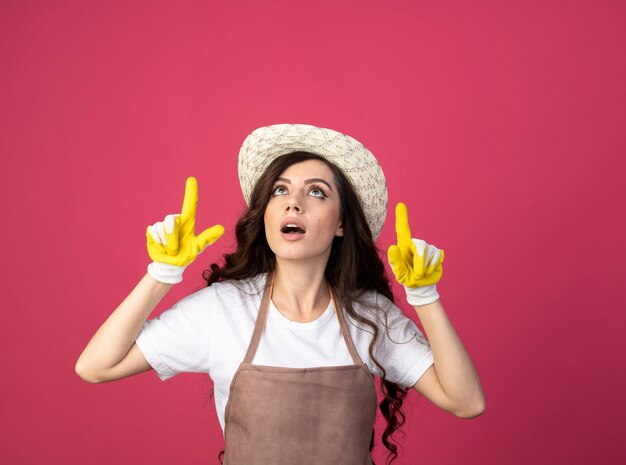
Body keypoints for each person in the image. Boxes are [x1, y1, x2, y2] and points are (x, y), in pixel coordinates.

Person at [75, 124, 485, 465]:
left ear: (341, 223)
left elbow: (466, 402)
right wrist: (161, 275)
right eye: (280, 191)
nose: (294, 204)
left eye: (317, 192)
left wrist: (425, 297)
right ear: (266, 214)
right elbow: (95, 367)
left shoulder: (369, 316)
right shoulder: (222, 310)